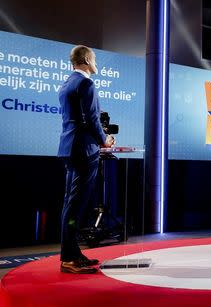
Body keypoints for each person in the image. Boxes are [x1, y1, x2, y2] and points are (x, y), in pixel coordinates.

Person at [57, 45, 115, 274]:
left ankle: (72, 254)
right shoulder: (86, 83)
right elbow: (91, 119)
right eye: (95, 59)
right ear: (87, 59)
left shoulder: (66, 84)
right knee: (75, 205)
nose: (96, 64)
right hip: (83, 150)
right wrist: (105, 140)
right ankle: (69, 259)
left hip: (70, 148)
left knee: (71, 204)